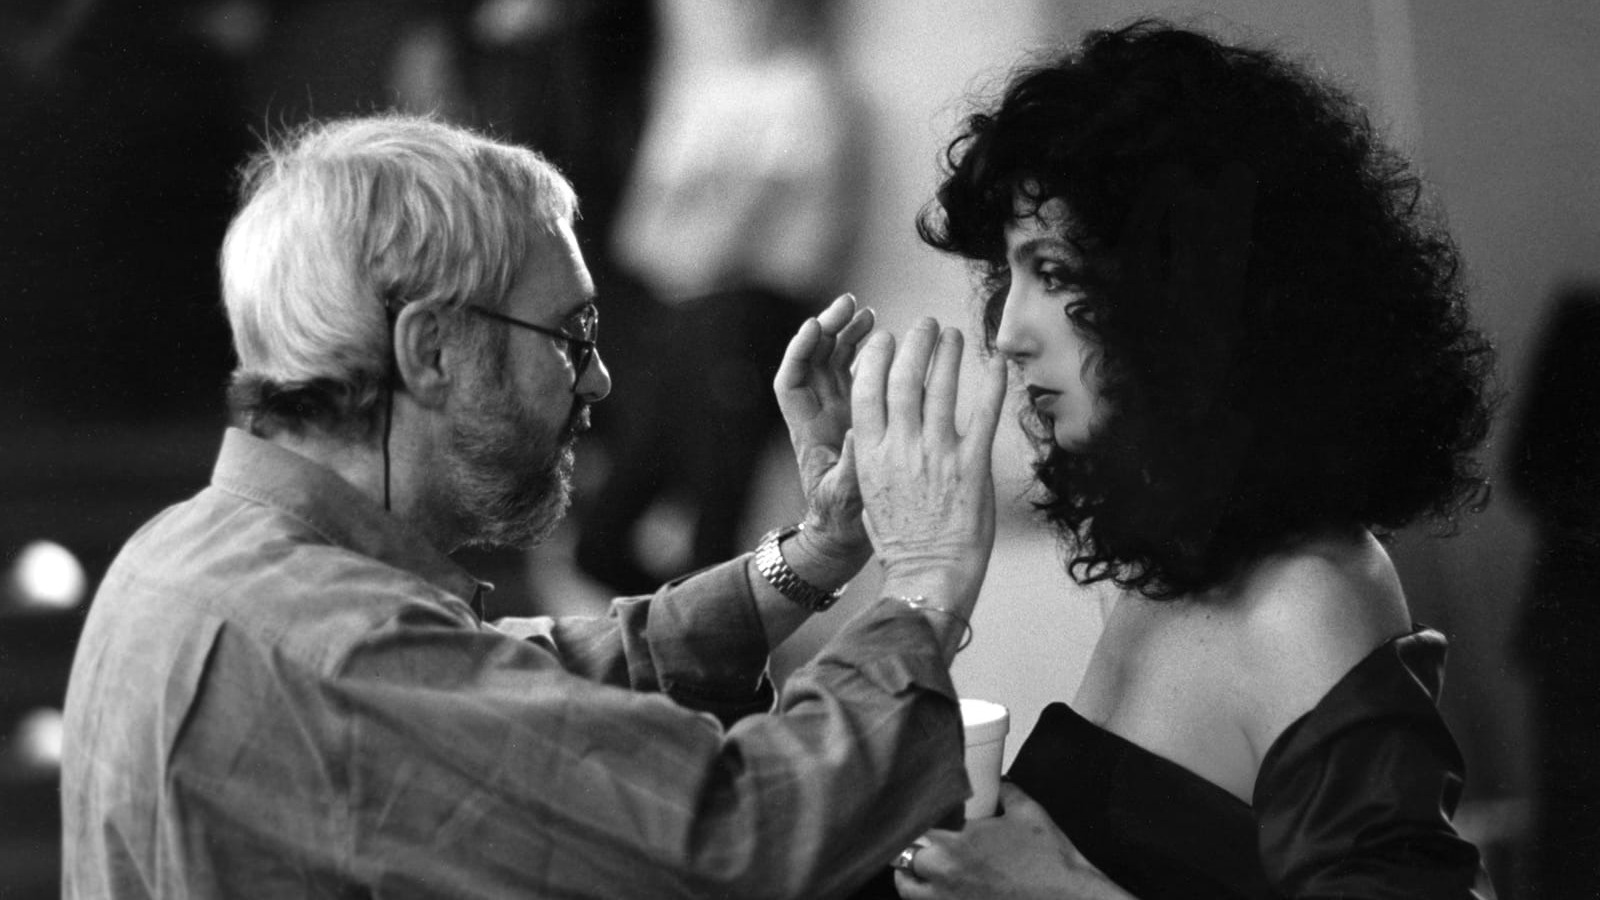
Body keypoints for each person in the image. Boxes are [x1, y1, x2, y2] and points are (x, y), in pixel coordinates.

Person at [60, 114, 1010, 899]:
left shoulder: (191, 550)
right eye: (571, 332)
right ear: (431, 350)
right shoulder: (341, 654)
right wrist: (923, 589)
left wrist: (816, 553)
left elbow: (518, 685)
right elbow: (741, 841)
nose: (597, 379)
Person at [882, 21, 1499, 900]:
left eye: (1053, 272)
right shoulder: (1171, 565)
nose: (1009, 333)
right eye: (1008, 277)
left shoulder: (1306, 598)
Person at [1505, 285, 1600, 898]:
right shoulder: (1585, 327)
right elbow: (1529, 468)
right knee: (1573, 821)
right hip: (1579, 628)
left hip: (1572, 624)